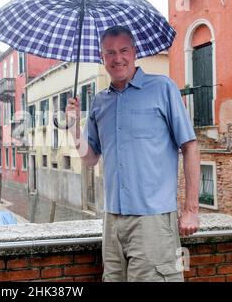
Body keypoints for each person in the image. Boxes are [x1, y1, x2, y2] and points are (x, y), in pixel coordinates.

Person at [66, 25, 200, 282]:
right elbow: (90, 158)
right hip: (112, 221)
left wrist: (191, 209)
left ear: (135, 52)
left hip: (153, 220)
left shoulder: (163, 88)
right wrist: (73, 127)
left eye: (124, 50)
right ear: (102, 57)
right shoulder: (99, 102)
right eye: (110, 53)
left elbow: (190, 146)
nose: (118, 58)